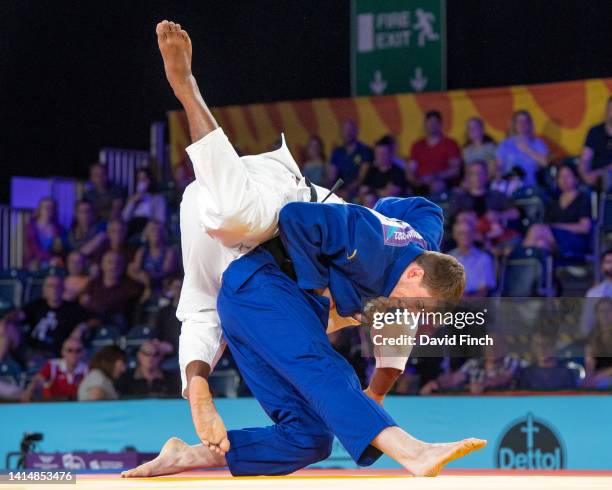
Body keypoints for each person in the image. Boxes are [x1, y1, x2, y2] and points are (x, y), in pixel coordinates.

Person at [123, 21, 483, 479]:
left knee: (310, 438)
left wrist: (370, 400)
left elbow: (416, 207)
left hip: (245, 292)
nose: (410, 316)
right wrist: (315, 290)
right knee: (240, 228)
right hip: (270, 220)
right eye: (416, 308)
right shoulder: (365, 242)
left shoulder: (419, 253)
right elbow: (297, 222)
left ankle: (189, 452)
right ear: (414, 276)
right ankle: (187, 87)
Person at [524, 164, 592, 257]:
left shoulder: (583, 198)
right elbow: (547, 223)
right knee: (541, 244)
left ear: (576, 178)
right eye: (560, 177)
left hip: (575, 239)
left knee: (536, 229)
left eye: (567, 176)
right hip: (554, 240)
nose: (564, 180)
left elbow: (584, 228)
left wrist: (557, 227)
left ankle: (521, 259)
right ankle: (534, 270)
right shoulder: (554, 201)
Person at [18, 275, 91, 358]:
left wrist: (81, 327)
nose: (54, 289)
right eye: (50, 286)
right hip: (32, 350)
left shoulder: (72, 308)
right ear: (44, 289)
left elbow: (94, 320)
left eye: (57, 286)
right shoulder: (36, 305)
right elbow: (18, 315)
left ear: (63, 289)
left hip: (56, 354)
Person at [81, 251, 144, 325]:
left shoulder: (130, 287)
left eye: (118, 263)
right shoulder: (93, 284)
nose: (114, 266)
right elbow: (85, 303)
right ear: (102, 265)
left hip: (116, 327)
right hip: (92, 324)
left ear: (123, 266)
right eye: (109, 262)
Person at [408, 110, 462, 193]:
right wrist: (415, 180)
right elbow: (411, 169)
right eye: (429, 122)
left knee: (437, 186)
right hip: (420, 182)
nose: (432, 125)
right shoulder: (417, 145)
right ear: (425, 125)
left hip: (441, 181)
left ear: (440, 124)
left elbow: (455, 170)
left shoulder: (450, 143)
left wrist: (435, 176)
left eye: (435, 122)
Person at [21, 337, 88, 402]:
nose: (74, 354)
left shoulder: (87, 369)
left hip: (76, 408)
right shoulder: (53, 365)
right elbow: (37, 380)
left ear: (83, 352)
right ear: (62, 352)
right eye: (69, 350)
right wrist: (30, 390)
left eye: (78, 351)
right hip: (52, 407)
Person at [451, 160, 518, 220]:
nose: (477, 177)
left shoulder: (497, 196)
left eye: (480, 173)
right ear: (468, 177)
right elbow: (450, 218)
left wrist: (499, 215)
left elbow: (515, 213)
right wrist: (463, 216)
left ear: (486, 175)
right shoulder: (460, 198)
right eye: (473, 174)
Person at [496, 110, 548, 187]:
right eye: (519, 121)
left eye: (525, 121)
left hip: (531, 187)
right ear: (514, 124)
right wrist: (498, 175)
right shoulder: (505, 144)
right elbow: (499, 166)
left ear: (530, 124)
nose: (522, 124)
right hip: (509, 187)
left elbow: (545, 163)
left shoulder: (537, 143)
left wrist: (527, 149)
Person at [128, 220, 179, 297]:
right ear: (146, 234)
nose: (156, 233)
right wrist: (143, 279)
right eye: (152, 230)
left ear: (163, 233)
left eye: (158, 230)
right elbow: (134, 270)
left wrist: (148, 279)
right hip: (145, 285)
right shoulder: (142, 251)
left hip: (164, 286)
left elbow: (166, 271)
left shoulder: (170, 251)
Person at [449, 221, 496, 297]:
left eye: (468, 233)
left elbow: (485, 289)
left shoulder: (484, 258)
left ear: (474, 235)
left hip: (477, 303)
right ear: (455, 235)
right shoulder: (448, 259)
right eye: (461, 233)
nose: (465, 236)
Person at [330, 120, 373, 199]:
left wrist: (347, 191)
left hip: (357, 191)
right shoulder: (337, 153)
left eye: (350, 129)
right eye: (345, 130)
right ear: (341, 133)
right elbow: (332, 177)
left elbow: (361, 178)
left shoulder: (364, 150)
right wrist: (334, 192)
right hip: (339, 191)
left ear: (356, 131)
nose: (348, 133)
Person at [122, 168, 167, 236]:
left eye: (144, 179)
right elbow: (124, 217)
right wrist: (133, 202)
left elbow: (161, 219)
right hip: (133, 225)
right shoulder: (133, 198)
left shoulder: (158, 198)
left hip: (148, 225)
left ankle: (143, 240)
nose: (141, 182)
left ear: (150, 180)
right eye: (139, 179)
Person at [24, 197, 65, 271]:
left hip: (53, 261)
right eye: (45, 207)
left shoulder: (59, 228)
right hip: (36, 260)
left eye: (51, 208)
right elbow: (36, 250)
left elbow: (58, 249)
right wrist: (49, 259)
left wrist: (56, 259)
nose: (48, 210)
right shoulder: (31, 227)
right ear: (40, 209)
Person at [580, 96, 612, 190]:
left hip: (603, 174)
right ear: (606, 111)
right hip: (595, 180)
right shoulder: (595, 132)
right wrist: (585, 175)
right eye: (611, 109)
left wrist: (602, 172)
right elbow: (585, 159)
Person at [582, 298, 612, 389]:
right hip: (597, 377)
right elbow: (589, 362)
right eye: (601, 311)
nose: (605, 315)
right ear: (597, 314)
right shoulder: (592, 336)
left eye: (608, 311)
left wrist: (598, 377)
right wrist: (589, 377)